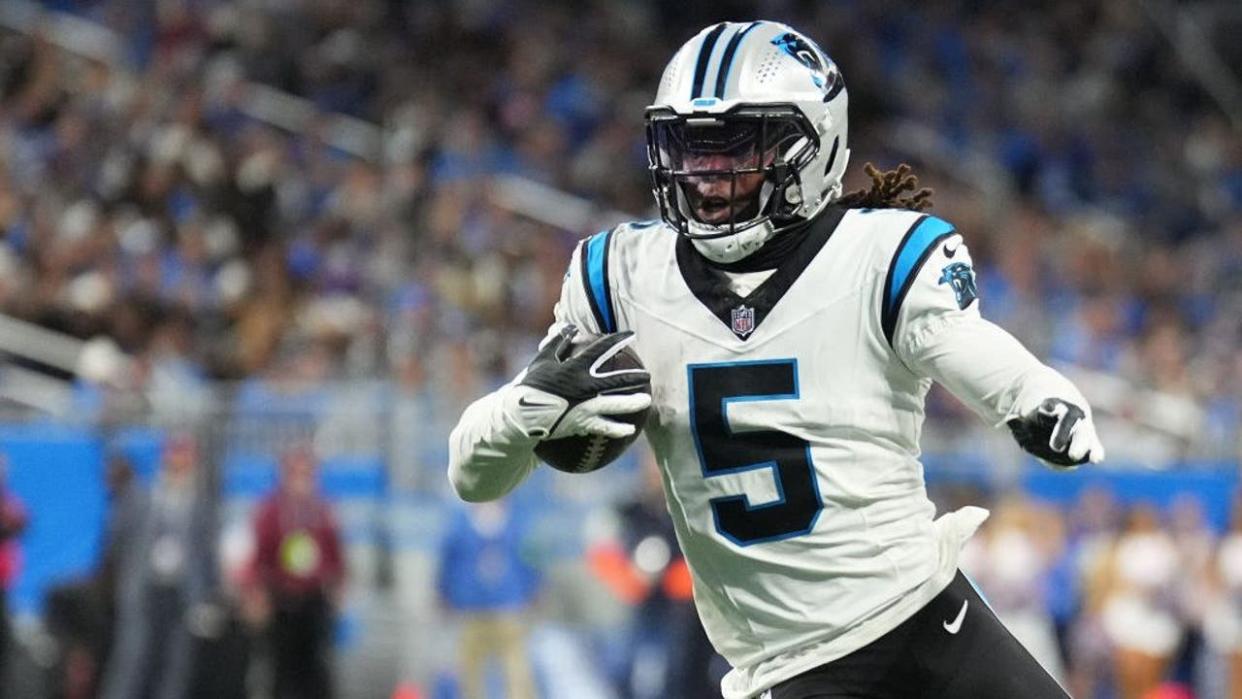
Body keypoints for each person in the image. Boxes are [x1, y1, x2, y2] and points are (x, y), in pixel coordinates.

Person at [448, 20, 1105, 699]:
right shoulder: (619, 277)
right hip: (794, 667)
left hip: (928, 613)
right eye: (690, 148)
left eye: (735, 148)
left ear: (813, 146)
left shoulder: (879, 253)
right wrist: (528, 405)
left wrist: (1033, 393)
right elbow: (473, 474)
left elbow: (961, 342)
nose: (707, 175)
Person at [102, 434, 217, 699]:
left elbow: (206, 551)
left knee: (175, 664)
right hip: (144, 588)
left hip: (180, 590)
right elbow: (118, 538)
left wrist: (207, 594)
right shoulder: (143, 496)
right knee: (132, 659)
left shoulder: (198, 503)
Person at [249, 446, 346, 699]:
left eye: (307, 474)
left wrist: (338, 586)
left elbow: (336, 555)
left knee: (316, 670)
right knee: (282, 671)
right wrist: (258, 593)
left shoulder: (323, 511)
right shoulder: (272, 511)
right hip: (282, 599)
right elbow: (261, 555)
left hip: (314, 599)